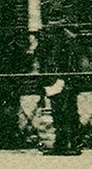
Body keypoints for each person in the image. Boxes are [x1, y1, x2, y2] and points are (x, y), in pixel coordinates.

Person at [32, 23, 81, 156]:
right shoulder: (68, 37)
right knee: (67, 110)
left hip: (58, 79)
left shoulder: (54, 37)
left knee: (61, 111)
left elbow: (47, 59)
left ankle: (63, 143)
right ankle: (71, 142)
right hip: (64, 79)